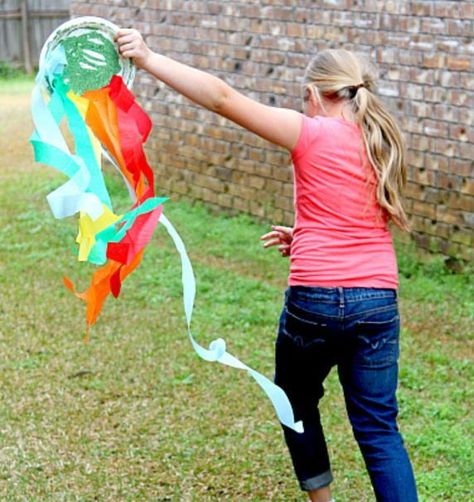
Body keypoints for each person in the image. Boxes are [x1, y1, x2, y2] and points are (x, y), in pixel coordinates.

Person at [116, 29, 418, 502]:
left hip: (315, 299)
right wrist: (306, 235)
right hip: (378, 301)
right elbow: (358, 215)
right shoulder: (382, 139)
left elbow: (221, 98)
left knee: (295, 401)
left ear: (316, 94)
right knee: (380, 430)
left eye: (304, 98)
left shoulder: (310, 130)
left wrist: (149, 58)